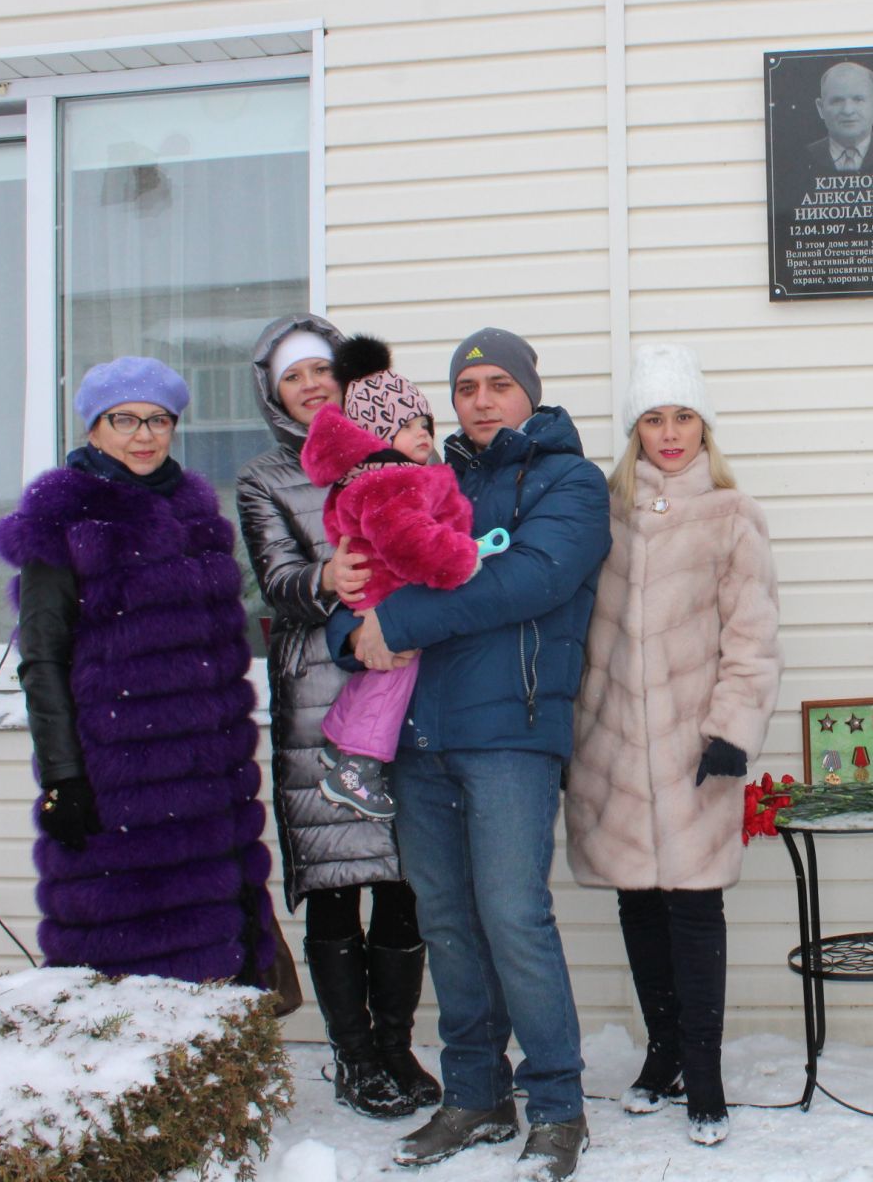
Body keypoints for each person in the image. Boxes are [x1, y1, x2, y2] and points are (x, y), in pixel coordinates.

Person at [330, 328, 611, 1181]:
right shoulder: (426, 478)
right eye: (465, 387)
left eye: (497, 384)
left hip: (512, 734)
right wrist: (351, 627)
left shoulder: (570, 481)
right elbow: (370, 578)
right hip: (420, 735)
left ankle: (557, 1107)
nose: (481, 399)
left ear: (530, 391)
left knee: (514, 917)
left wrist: (396, 623)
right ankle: (476, 1095)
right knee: (447, 921)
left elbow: (529, 579)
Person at [0, 356, 278, 989]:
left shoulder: (196, 511)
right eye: (124, 419)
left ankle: (213, 1083)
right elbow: (42, 657)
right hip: (118, 785)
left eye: (158, 420)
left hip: (206, 789)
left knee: (214, 965)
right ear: (93, 428)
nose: (143, 435)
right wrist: (64, 778)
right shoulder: (62, 517)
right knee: (128, 967)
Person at [567, 343, 782, 1148]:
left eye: (682, 416)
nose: (668, 433)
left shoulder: (733, 515)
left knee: (695, 909)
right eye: (653, 418)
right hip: (613, 750)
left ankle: (706, 1072)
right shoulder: (602, 514)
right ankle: (661, 1057)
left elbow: (753, 637)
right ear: (635, 429)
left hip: (696, 749)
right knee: (636, 903)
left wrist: (731, 729)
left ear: (704, 426)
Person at [235, 315, 436, 1120]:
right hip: (317, 700)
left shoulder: (398, 451)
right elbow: (275, 579)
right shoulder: (261, 478)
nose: (312, 385)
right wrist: (328, 574)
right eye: (293, 377)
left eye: (321, 369)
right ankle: (353, 1059)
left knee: (402, 881)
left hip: (399, 692)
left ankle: (395, 1046)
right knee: (334, 884)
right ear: (273, 393)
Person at [299, 335, 506, 822]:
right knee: (396, 671)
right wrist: (461, 559)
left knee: (377, 672)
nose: (423, 436)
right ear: (375, 435)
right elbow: (411, 543)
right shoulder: (393, 482)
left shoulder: (373, 477)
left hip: (377, 593)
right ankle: (358, 764)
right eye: (406, 426)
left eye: (424, 424)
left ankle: (340, 737)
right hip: (390, 594)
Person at [805, 60, 873, 173]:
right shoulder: (801, 157)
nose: (848, 110)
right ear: (820, 108)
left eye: (858, 100)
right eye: (837, 101)